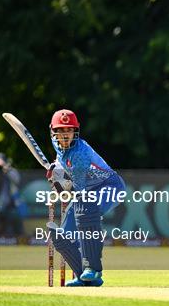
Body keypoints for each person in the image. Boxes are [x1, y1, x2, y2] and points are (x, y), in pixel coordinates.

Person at [46, 109, 125, 287]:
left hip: (110, 186)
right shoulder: (60, 149)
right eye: (61, 131)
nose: (65, 135)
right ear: (54, 132)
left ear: (75, 131)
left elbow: (77, 192)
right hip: (87, 191)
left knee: (86, 211)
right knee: (64, 236)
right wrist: (57, 172)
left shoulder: (80, 152)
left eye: (69, 130)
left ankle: (94, 269)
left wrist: (61, 184)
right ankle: (84, 277)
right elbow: (65, 174)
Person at [0, 153, 23, 236]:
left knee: (15, 216)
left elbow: (17, 180)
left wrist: (7, 169)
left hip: (8, 206)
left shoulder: (10, 172)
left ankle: (17, 238)